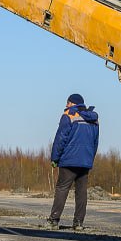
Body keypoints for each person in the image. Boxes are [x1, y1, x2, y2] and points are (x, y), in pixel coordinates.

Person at [47, 93, 99, 231]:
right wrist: (90, 159)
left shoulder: (69, 116)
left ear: (72, 103)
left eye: (67, 103)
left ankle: (53, 220)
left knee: (62, 189)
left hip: (69, 160)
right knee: (81, 192)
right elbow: (95, 143)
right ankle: (78, 223)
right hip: (85, 161)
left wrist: (55, 158)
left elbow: (60, 139)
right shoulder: (94, 119)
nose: (66, 105)